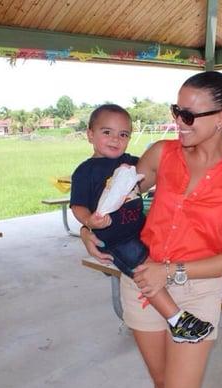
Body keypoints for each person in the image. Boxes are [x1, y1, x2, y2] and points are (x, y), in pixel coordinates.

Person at [80, 71, 222, 388]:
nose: (178, 122)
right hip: (142, 282)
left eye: (187, 115)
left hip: (195, 290)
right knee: (163, 385)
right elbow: (112, 203)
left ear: (221, 118)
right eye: (176, 111)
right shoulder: (161, 154)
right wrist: (87, 227)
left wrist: (168, 271)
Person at [70, 104, 214, 344]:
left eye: (123, 134)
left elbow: (161, 166)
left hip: (139, 231)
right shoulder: (86, 171)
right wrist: (88, 222)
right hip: (115, 239)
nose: (116, 139)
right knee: (146, 273)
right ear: (90, 134)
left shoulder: (131, 163)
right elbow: (78, 205)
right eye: (107, 132)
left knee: (156, 265)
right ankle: (177, 320)